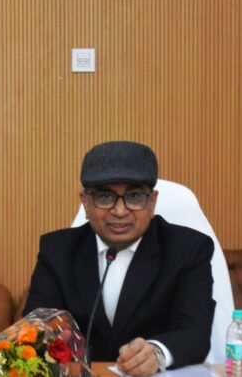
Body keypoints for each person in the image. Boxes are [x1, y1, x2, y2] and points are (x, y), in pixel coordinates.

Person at [23, 141, 215, 376]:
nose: (120, 211)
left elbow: (195, 333)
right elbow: (35, 329)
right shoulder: (57, 250)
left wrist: (157, 353)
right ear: (85, 203)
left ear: (152, 202)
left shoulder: (188, 249)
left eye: (134, 196)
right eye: (105, 196)